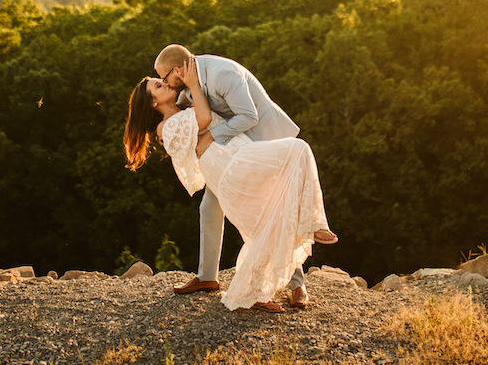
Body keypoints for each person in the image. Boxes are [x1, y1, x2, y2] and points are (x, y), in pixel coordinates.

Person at [124, 57, 337, 312]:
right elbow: (203, 118)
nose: (166, 83)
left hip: (242, 152)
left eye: (164, 78)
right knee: (297, 152)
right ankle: (312, 225)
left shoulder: (194, 93)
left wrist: (192, 86)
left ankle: (262, 290)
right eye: (159, 86)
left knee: (266, 218)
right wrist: (193, 84)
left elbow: (221, 115)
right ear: (154, 103)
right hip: (230, 166)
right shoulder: (166, 126)